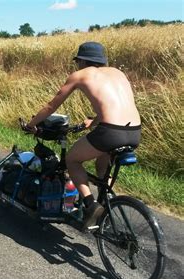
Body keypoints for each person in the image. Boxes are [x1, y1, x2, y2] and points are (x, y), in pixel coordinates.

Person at [25, 42, 141, 230]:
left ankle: (91, 205)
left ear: (82, 60)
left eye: (77, 61)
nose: (77, 65)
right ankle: (109, 201)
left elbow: (50, 107)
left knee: (72, 159)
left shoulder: (80, 75)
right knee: (101, 168)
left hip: (110, 132)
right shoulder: (118, 73)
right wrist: (94, 121)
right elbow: (118, 104)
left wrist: (31, 125)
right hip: (134, 131)